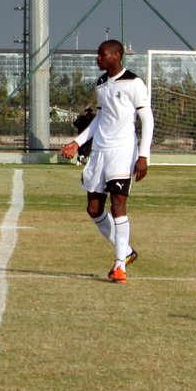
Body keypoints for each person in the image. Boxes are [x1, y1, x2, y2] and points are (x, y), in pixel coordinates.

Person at [61, 39, 154, 283]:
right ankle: (126, 251)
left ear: (116, 56)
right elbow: (100, 119)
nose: (97, 58)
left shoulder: (134, 82)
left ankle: (119, 265)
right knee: (93, 208)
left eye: (101, 54)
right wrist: (77, 142)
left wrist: (143, 156)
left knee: (118, 205)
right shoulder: (102, 83)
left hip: (123, 152)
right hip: (100, 152)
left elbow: (148, 120)